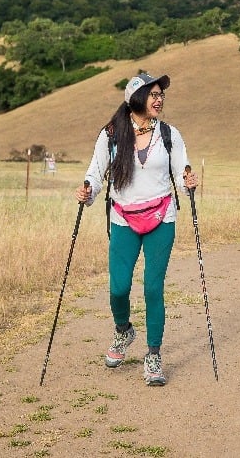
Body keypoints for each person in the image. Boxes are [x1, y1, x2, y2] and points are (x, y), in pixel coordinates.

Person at [76, 72, 198, 386]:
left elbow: (181, 172)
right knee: (118, 288)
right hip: (122, 218)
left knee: (153, 289)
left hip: (162, 216)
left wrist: (189, 186)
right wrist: (87, 190)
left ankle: (154, 355)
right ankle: (123, 331)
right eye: (153, 94)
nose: (159, 100)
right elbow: (95, 174)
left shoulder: (170, 134)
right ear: (136, 97)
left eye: (161, 95)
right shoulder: (112, 134)